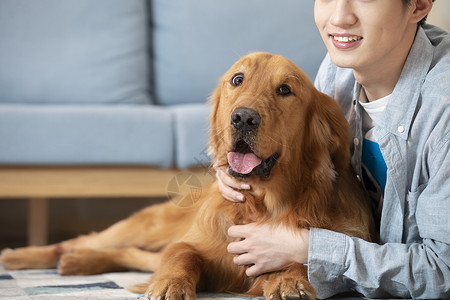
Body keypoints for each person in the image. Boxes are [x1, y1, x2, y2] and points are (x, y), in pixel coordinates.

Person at [214, 0, 450, 298]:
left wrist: (309, 249)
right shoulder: (336, 72)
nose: (339, 17)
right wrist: (235, 164)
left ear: (418, 5)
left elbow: (444, 272)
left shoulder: (444, 111)